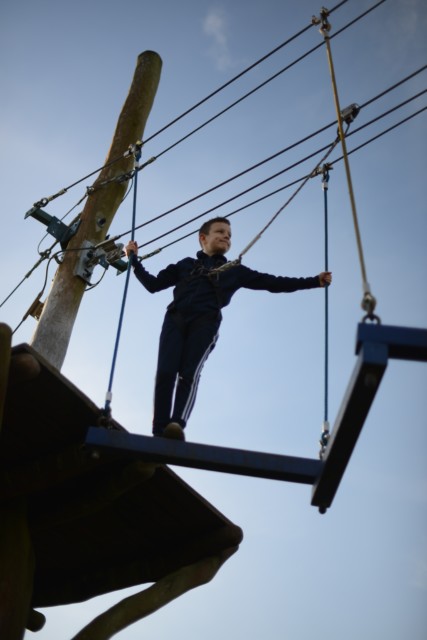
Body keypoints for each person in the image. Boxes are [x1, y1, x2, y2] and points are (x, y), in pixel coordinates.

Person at [125, 216, 332, 441]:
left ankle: (176, 424)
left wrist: (313, 281)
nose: (226, 236)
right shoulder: (185, 265)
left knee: (188, 373)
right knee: (165, 373)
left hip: (205, 323)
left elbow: (272, 282)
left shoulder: (234, 271)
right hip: (175, 320)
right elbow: (153, 285)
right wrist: (134, 259)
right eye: (221, 232)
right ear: (203, 238)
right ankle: (159, 430)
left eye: (229, 235)